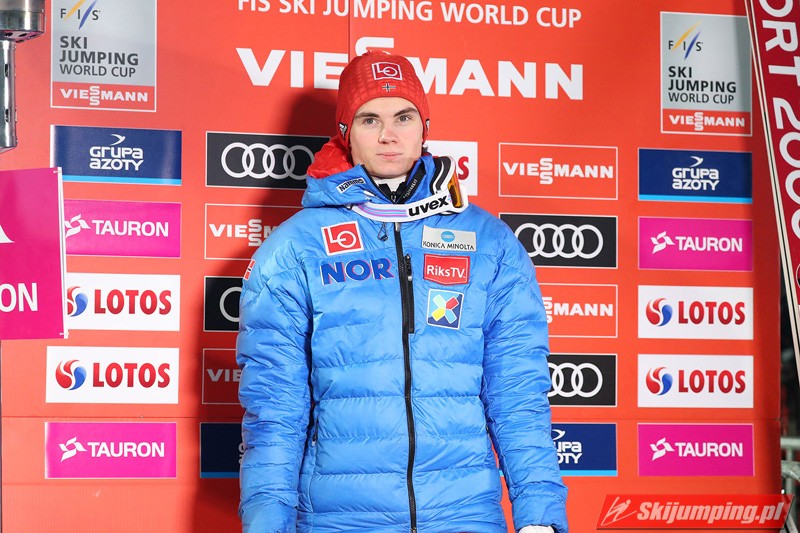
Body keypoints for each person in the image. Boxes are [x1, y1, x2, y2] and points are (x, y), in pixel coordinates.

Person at [237, 50, 568, 533]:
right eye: (370, 119)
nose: (389, 134)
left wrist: (539, 513)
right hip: (340, 519)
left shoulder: (490, 243)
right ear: (346, 133)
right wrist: (267, 522)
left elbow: (517, 394)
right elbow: (275, 409)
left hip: (464, 516)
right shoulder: (295, 248)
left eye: (404, 117)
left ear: (424, 127)